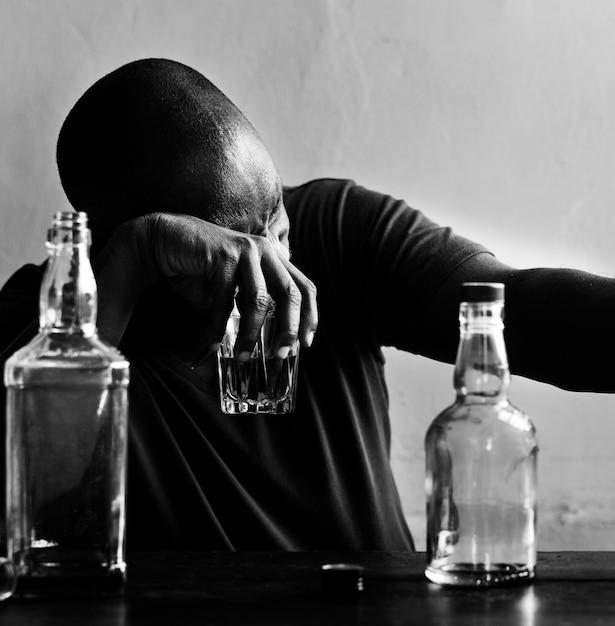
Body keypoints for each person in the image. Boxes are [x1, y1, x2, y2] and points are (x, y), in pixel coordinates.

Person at [1, 58, 614, 551]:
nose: (274, 271)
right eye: (222, 250)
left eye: (276, 227)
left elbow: (522, 309)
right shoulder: (41, 332)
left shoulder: (339, 231)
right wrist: (136, 257)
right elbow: (36, 505)